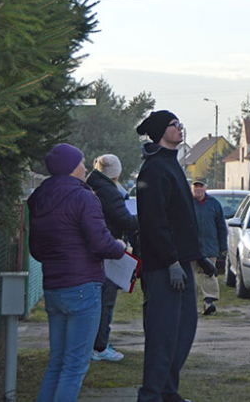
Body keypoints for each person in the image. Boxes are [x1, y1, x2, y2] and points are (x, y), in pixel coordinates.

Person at [29, 143, 126, 402]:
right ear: (71, 168)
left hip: (54, 288)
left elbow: (36, 249)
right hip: (83, 287)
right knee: (74, 367)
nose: (85, 168)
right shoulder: (84, 197)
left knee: (57, 363)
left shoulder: (39, 198)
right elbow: (101, 243)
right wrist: (120, 247)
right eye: (81, 163)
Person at [135, 110, 202, 402]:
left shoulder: (172, 165)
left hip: (181, 262)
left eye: (180, 124)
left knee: (184, 330)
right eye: (174, 125)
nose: (180, 128)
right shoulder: (154, 170)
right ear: (162, 131)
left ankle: (167, 391)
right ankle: (150, 395)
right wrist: (171, 261)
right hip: (164, 267)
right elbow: (154, 221)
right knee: (162, 335)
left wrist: (197, 256)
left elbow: (182, 217)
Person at [86, 153, 139, 362]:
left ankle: (96, 343)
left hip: (95, 250)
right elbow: (125, 220)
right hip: (109, 250)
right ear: (116, 172)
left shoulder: (93, 185)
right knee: (106, 301)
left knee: (98, 301)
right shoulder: (110, 191)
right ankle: (99, 346)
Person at [190, 179, 227, 316]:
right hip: (191, 247)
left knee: (209, 274)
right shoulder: (186, 203)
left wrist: (223, 247)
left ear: (205, 188)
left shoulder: (214, 204)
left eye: (200, 186)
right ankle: (191, 304)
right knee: (190, 276)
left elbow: (221, 227)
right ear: (192, 188)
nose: (198, 189)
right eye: (195, 186)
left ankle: (208, 301)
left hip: (210, 246)